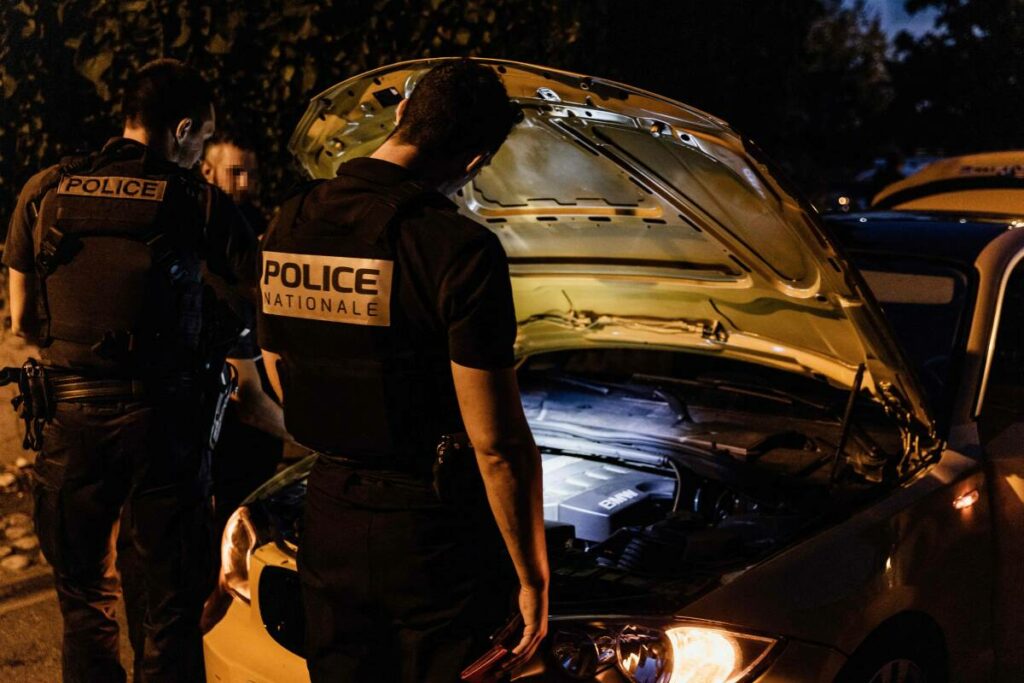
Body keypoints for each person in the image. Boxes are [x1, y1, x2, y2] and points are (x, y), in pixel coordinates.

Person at [258, 59, 549, 682]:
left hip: (327, 511)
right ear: (474, 162)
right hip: (429, 537)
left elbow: (277, 366)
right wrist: (533, 580)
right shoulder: (459, 250)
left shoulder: (290, 219)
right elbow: (496, 445)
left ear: (399, 115)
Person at [3, 58, 257, 683]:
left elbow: (23, 324)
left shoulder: (44, 190)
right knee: (170, 613)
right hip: (167, 428)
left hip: (69, 420)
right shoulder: (203, 205)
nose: (200, 155)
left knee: (86, 605)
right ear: (181, 130)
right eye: (201, 139)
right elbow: (248, 315)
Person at [200, 131, 289, 532]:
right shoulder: (204, 243)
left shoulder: (259, 228)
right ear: (206, 171)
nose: (244, 184)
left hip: (263, 429)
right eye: (234, 173)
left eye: (251, 174)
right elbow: (245, 398)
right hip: (227, 430)